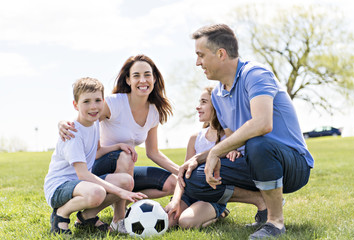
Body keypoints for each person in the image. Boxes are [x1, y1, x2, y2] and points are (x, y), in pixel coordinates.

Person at [178, 24, 314, 239]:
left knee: (258, 143)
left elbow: (262, 124)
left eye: (201, 55)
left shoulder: (255, 74)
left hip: (293, 164)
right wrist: (199, 158)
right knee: (195, 177)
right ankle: (263, 205)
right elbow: (233, 140)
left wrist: (214, 152)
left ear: (221, 54)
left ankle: (275, 223)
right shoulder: (217, 94)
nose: (198, 62)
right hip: (254, 160)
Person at [58, 55, 179, 232]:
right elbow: (84, 117)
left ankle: (88, 215)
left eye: (147, 74)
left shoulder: (154, 112)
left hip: (125, 171)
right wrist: (62, 123)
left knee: (172, 184)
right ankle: (119, 218)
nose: (142, 80)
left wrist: (181, 171)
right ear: (128, 80)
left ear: (154, 78)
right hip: (98, 168)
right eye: (136, 75)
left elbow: (153, 152)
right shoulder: (114, 103)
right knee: (127, 155)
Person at [44, 77, 146, 235]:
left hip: (80, 184)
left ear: (103, 101)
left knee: (126, 181)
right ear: (75, 105)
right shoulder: (73, 133)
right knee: (98, 192)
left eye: (97, 100)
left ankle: (86, 217)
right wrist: (120, 193)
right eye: (86, 102)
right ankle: (61, 213)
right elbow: (83, 174)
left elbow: (96, 152)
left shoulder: (94, 124)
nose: (93, 106)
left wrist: (118, 146)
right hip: (59, 188)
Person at [165, 87, 233, 229]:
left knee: (186, 222)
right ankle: (191, 209)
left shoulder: (230, 139)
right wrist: (176, 201)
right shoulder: (195, 138)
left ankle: (219, 213)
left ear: (217, 106)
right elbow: (182, 174)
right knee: (168, 222)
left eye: (203, 102)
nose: (198, 106)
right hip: (189, 194)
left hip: (210, 197)